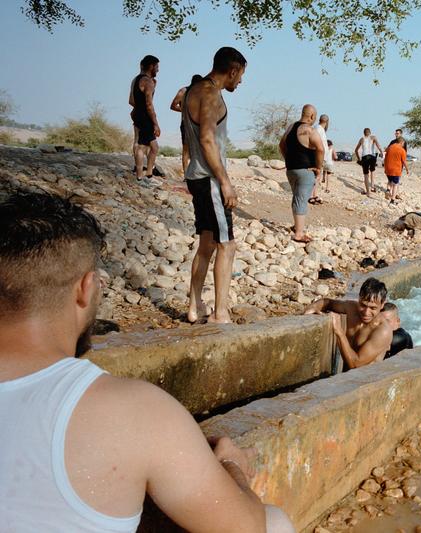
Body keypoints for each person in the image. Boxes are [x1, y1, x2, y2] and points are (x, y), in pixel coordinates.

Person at [0, 192, 294, 533]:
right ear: (85, 288)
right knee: (275, 523)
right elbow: (245, 528)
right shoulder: (131, 410)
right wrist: (232, 464)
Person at [183, 47, 247, 324]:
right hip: (209, 178)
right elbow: (207, 140)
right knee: (227, 245)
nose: (241, 82)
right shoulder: (209, 94)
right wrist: (225, 182)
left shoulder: (192, 90)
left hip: (196, 175)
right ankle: (221, 313)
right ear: (232, 70)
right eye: (241, 75)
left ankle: (195, 305)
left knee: (207, 243)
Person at [303, 278, 393, 370]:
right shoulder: (351, 308)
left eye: (373, 308)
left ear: (382, 305)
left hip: (366, 381)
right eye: (363, 305)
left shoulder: (383, 331)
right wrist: (313, 307)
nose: (366, 312)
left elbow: (355, 364)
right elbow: (328, 302)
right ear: (359, 298)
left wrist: (339, 332)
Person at [279, 105, 326, 244]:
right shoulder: (310, 130)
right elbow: (321, 149)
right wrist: (318, 167)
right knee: (301, 200)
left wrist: (288, 159)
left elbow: (281, 145)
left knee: (297, 197)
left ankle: (296, 226)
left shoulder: (291, 127)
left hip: (291, 170)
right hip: (305, 171)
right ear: (312, 116)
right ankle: (299, 234)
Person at [129, 55, 160, 184]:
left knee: (151, 146)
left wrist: (138, 110)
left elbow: (131, 101)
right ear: (151, 66)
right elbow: (149, 104)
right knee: (144, 147)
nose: (158, 70)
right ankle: (141, 176)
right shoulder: (148, 82)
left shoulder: (135, 80)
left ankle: (148, 174)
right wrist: (155, 123)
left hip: (137, 114)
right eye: (157, 67)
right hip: (145, 116)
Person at [170, 74, 204, 175]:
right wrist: (185, 111)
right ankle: (186, 174)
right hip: (186, 123)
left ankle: (195, 173)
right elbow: (173, 106)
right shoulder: (183, 91)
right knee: (186, 149)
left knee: (199, 149)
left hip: (199, 124)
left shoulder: (201, 93)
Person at [308, 114, 331, 205]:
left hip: (318, 155)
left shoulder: (317, 128)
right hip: (318, 155)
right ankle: (311, 196)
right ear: (327, 122)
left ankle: (314, 194)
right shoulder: (319, 129)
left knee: (317, 176)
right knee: (317, 176)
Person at [354, 128, 384, 196]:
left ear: (364, 133)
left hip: (365, 157)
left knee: (366, 174)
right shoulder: (373, 137)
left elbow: (356, 150)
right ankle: (372, 187)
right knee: (372, 171)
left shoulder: (361, 139)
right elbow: (378, 146)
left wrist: (359, 159)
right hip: (372, 156)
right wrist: (381, 152)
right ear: (370, 132)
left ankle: (368, 192)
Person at [384, 136, 409, 204]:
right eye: (403, 143)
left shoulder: (389, 147)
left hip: (388, 168)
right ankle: (392, 200)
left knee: (390, 181)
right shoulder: (402, 150)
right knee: (395, 184)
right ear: (401, 142)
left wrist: (385, 167)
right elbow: (404, 161)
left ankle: (388, 190)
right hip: (396, 170)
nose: (403, 145)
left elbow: (385, 157)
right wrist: (407, 169)